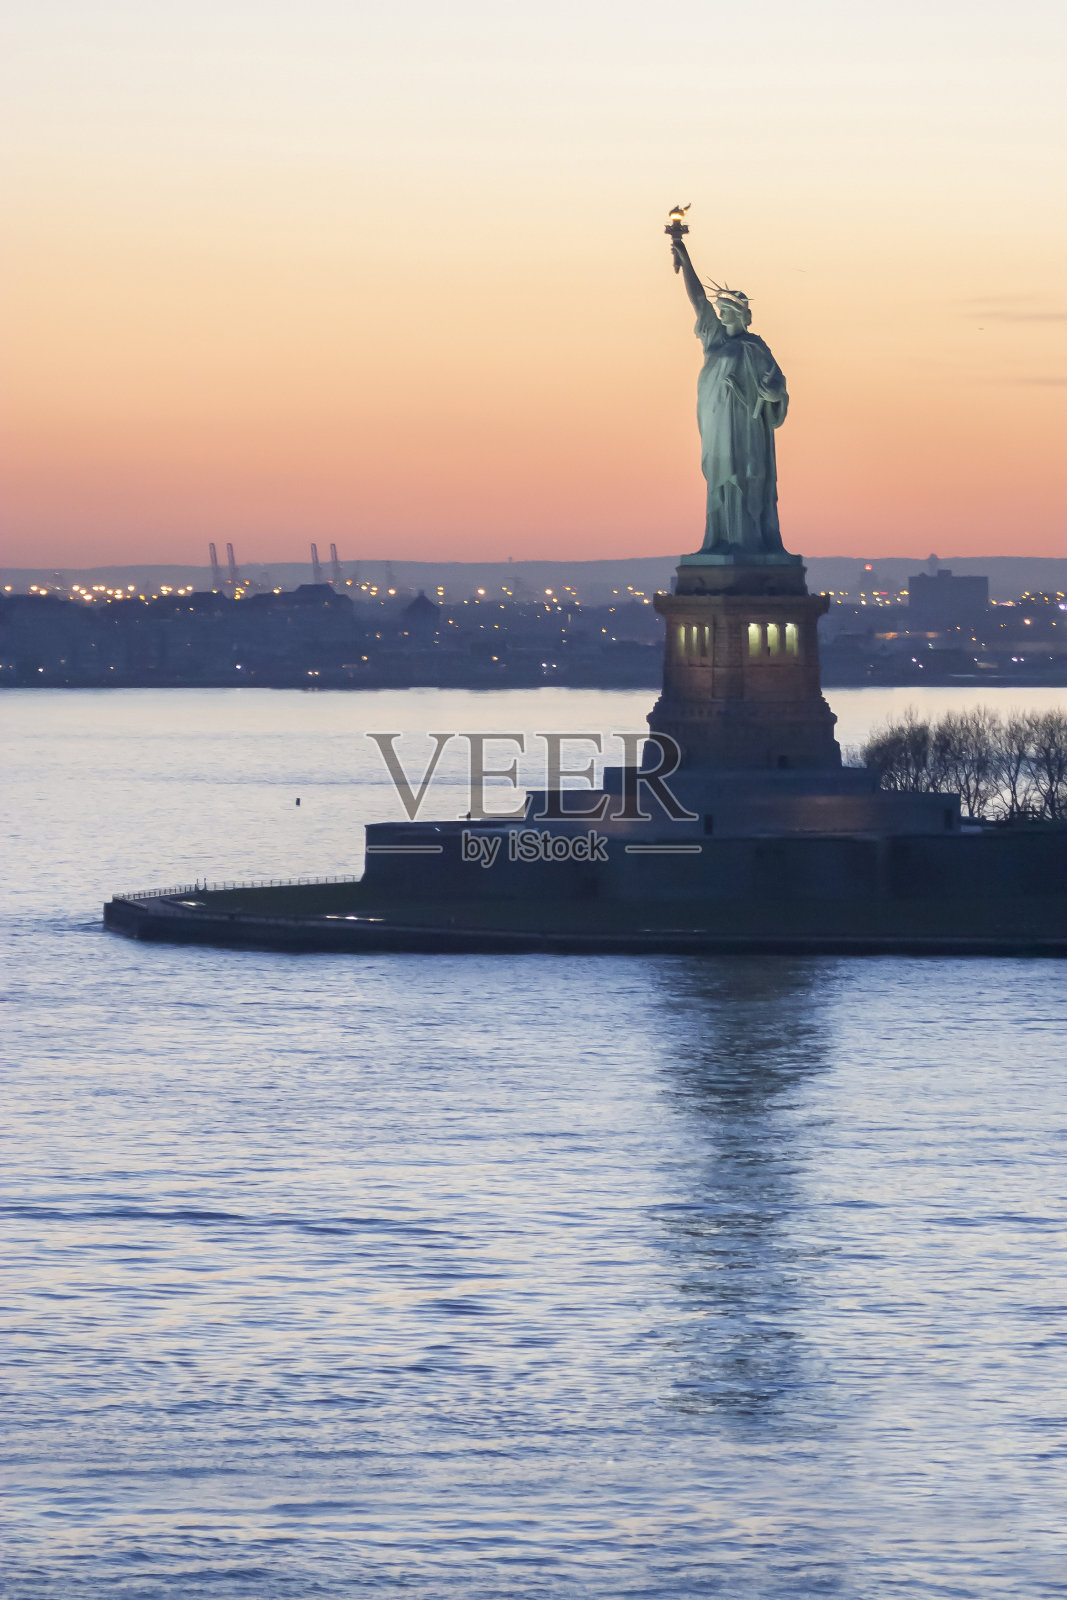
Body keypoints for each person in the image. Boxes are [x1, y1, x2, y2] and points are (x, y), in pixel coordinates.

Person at [672, 237, 789, 556]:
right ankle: (721, 538)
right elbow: (698, 300)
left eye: (726, 311)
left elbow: (777, 385)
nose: (720, 315)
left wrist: (773, 392)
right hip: (717, 426)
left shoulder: (756, 348)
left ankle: (747, 541)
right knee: (721, 480)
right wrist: (685, 257)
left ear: (741, 315)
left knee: (747, 478)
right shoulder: (714, 339)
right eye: (719, 310)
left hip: (748, 429)